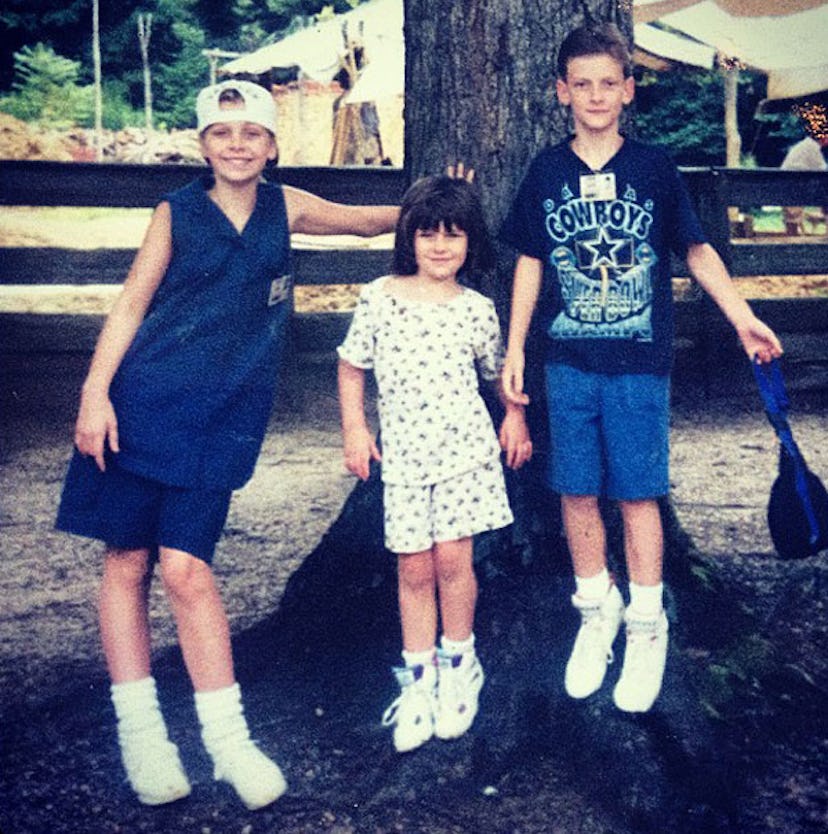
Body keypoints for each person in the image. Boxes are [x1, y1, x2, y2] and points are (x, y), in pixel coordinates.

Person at [55, 79, 400, 809]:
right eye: (222, 132)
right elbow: (130, 305)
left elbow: (370, 222)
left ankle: (229, 741)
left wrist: (444, 205)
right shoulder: (175, 212)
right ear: (204, 143)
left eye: (251, 133)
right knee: (127, 560)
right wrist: (93, 395)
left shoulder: (288, 205)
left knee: (187, 571)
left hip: (222, 420)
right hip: (140, 406)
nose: (237, 145)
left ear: (272, 145)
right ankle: (142, 736)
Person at [499, 24, 783, 714]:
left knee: (636, 493)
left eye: (609, 83)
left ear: (627, 90)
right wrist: (513, 349)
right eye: (582, 84)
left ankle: (647, 622)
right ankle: (596, 608)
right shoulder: (546, 170)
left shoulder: (655, 168)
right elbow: (530, 263)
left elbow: (697, 250)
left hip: (638, 363)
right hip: (566, 360)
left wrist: (741, 314)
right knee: (574, 491)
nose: (596, 96)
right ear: (561, 91)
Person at [337, 175, 533, 752]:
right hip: (402, 460)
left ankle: (459, 665)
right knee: (414, 570)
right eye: (428, 234)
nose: (441, 247)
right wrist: (354, 428)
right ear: (409, 238)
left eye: (454, 234)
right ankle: (418, 679)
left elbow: (498, 374)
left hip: (465, 456)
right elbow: (352, 367)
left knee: (453, 563)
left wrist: (514, 417)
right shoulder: (379, 296)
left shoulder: (477, 309)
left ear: (471, 241)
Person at [780, 125, 828, 235]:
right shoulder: (812, 148)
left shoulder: (805, 145)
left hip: (788, 185)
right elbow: (823, 170)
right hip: (793, 187)